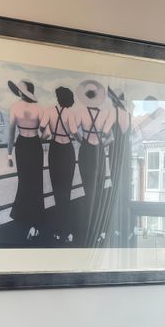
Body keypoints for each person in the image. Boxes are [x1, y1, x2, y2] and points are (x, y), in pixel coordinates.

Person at [74, 80, 112, 248]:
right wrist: (100, 144)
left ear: (85, 97)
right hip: (99, 153)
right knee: (98, 189)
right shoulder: (104, 114)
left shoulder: (80, 111)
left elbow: (73, 131)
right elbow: (110, 137)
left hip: (86, 151)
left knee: (87, 189)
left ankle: (87, 229)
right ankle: (97, 228)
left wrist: (84, 141)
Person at [41, 86, 80, 244]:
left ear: (58, 98)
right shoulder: (70, 113)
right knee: (67, 192)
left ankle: (58, 231)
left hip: (55, 150)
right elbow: (75, 133)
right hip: (68, 151)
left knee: (57, 192)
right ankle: (67, 231)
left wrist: (47, 133)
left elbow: (44, 131)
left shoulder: (49, 111)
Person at [6, 80, 44, 241]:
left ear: (24, 92)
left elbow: (10, 131)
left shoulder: (15, 107)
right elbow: (45, 130)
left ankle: (24, 220)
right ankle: (34, 223)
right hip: (34, 145)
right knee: (35, 183)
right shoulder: (39, 108)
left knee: (25, 182)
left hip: (22, 145)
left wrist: (9, 154)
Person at [106, 87, 133, 246]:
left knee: (114, 186)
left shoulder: (114, 114)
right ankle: (122, 228)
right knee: (123, 189)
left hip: (115, 152)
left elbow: (106, 134)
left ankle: (113, 227)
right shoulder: (128, 115)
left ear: (115, 101)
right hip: (125, 154)